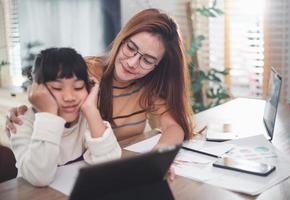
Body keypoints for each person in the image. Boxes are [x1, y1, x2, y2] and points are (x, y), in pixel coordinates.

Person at [5, 8, 193, 149]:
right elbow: (43, 107)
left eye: (148, 60)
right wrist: (28, 115)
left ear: (158, 66)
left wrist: (158, 157)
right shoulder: (84, 72)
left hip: (113, 165)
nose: (133, 63)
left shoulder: (149, 85)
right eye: (131, 48)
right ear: (122, 38)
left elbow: (173, 127)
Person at [9, 48, 121, 186]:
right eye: (57, 88)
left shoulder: (84, 117)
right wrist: (48, 113)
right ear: (36, 91)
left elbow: (111, 163)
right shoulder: (21, 122)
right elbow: (39, 178)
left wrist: (91, 109)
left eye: (79, 87)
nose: (69, 97)